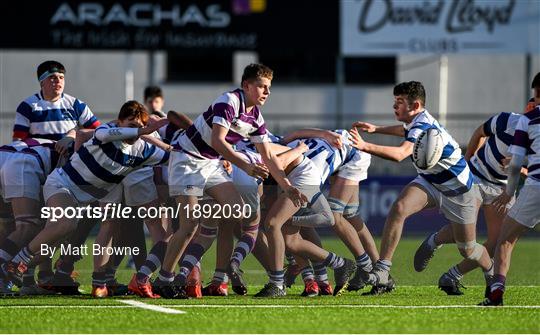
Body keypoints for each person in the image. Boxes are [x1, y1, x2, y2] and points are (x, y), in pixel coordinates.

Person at [153, 63, 307, 299]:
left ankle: (219, 256)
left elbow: (268, 155)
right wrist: (245, 166)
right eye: (262, 86)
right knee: (189, 225)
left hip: (211, 165)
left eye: (269, 87)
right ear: (246, 85)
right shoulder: (229, 101)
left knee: (239, 211)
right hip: (187, 161)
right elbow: (218, 140)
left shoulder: (255, 116)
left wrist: (287, 186)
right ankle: (164, 279)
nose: (267, 92)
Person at [1, 101, 168, 287]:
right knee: (66, 223)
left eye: (139, 126)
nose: (135, 130)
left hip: (82, 202)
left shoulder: (143, 150)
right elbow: (100, 133)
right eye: (131, 125)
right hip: (62, 185)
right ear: (119, 122)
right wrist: (142, 132)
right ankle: (15, 263)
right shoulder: (105, 133)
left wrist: (184, 144)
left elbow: (172, 155)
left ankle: (17, 270)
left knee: (50, 247)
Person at [349, 81, 492, 290]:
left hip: (459, 191)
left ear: (415, 105)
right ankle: (383, 269)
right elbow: (404, 130)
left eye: (399, 102)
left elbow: (400, 154)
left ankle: (491, 271)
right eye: (395, 101)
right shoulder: (416, 121)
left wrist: (364, 145)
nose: (394, 106)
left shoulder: (423, 125)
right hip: (431, 181)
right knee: (399, 208)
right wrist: (377, 129)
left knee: (468, 249)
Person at [413, 110, 524, 295]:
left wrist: (520, 165)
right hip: (476, 177)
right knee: (464, 233)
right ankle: (434, 241)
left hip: (502, 188)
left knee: (497, 243)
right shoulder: (507, 120)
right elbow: (480, 132)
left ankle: (452, 276)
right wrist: (467, 161)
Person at [479, 73, 540, 306]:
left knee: (505, 239)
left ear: (536, 92)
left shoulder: (528, 119)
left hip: (536, 187)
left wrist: (508, 193)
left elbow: (514, 164)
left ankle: (496, 292)